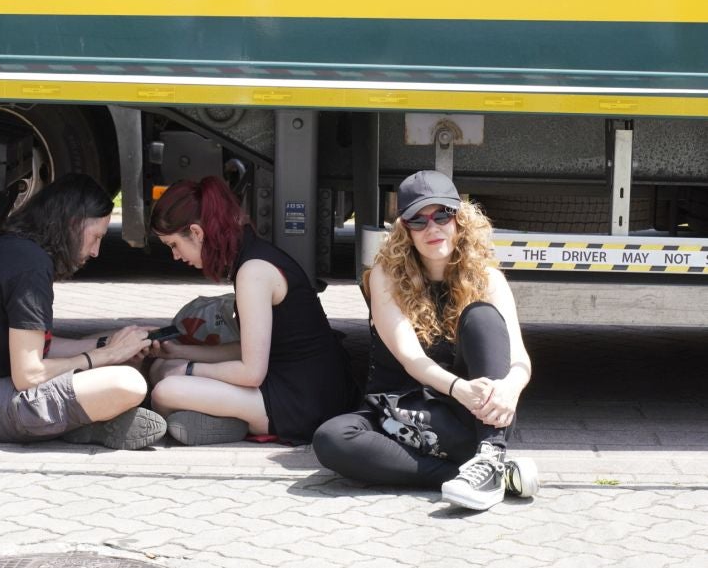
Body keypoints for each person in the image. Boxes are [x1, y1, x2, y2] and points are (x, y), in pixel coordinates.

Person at [312, 170, 539, 511]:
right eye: (418, 220)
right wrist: (457, 387)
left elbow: (520, 359)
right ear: (405, 230)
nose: (432, 228)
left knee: (481, 316)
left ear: (459, 219)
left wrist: (510, 389)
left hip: (467, 416)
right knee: (331, 439)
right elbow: (411, 358)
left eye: (442, 215)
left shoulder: (489, 279)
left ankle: (490, 454)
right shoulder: (384, 277)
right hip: (397, 412)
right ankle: (471, 474)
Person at [0, 174, 166, 450]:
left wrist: (112, 342)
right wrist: (104, 355)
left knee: (120, 364)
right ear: (72, 224)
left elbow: (38, 348)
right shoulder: (31, 269)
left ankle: (83, 421)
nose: (96, 251)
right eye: (96, 237)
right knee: (127, 382)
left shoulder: (16, 251)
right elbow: (29, 374)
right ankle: (81, 424)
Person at [147, 176, 360, 446]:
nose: (175, 255)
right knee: (162, 368)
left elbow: (251, 373)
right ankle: (219, 419)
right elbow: (250, 349)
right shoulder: (252, 256)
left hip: (300, 401)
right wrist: (180, 353)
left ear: (197, 233)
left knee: (166, 388)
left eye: (174, 245)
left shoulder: (252, 272)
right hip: (302, 385)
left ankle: (230, 423)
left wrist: (189, 370)